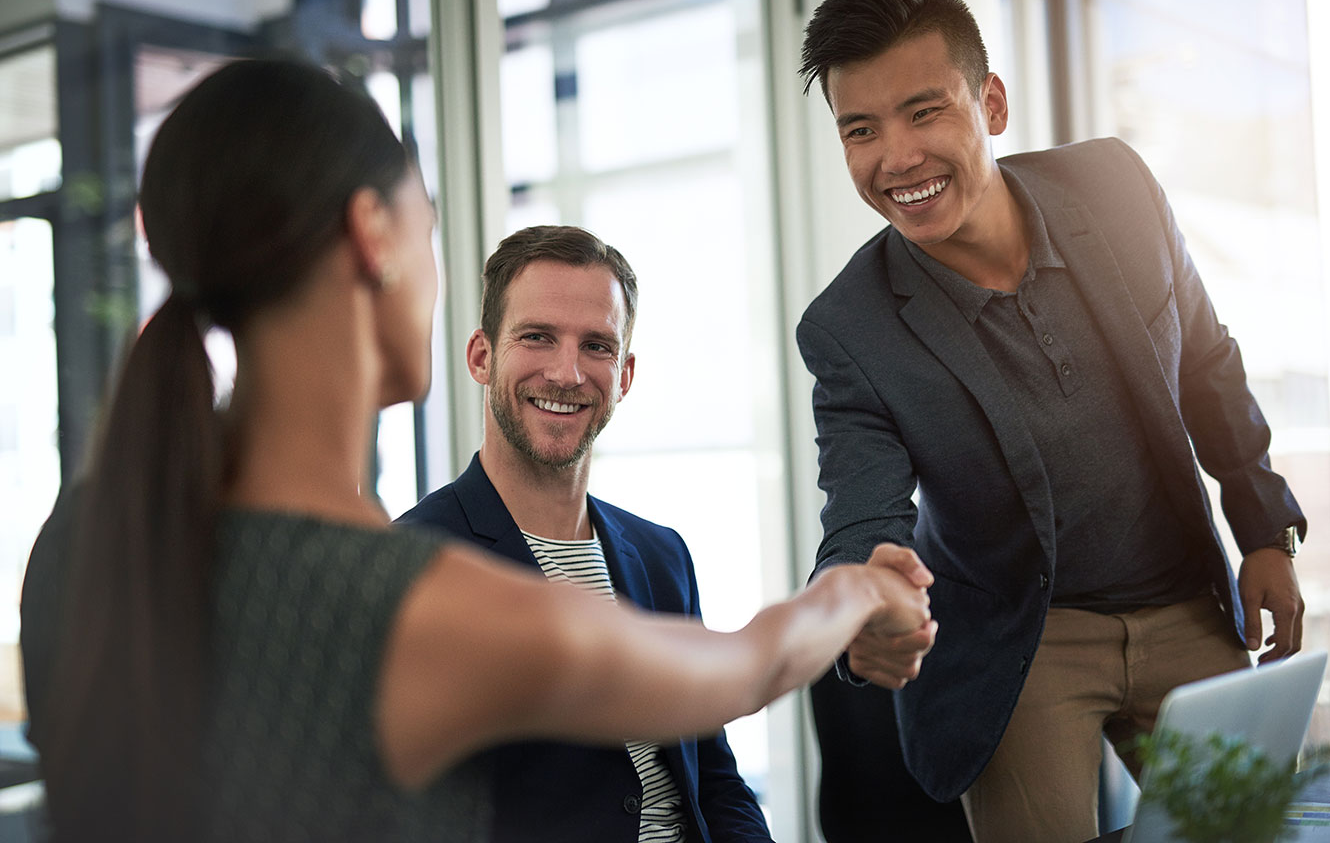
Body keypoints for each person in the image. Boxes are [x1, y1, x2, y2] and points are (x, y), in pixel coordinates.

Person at [17, 58, 934, 843]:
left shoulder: (90, 540)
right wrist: (861, 586)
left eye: (597, 345)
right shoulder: (407, 605)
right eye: (431, 230)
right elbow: (746, 669)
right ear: (372, 235)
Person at [794, 0, 1306, 843]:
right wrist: (861, 600)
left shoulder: (1116, 189)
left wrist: (1262, 528)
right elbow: (860, 509)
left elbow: (1207, 364)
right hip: (1019, 642)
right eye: (861, 130)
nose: (897, 158)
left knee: (1249, 834)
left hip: (1183, 600)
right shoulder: (850, 328)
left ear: (990, 102)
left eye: (926, 111)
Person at [398, 225, 787, 843]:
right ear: (481, 356)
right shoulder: (415, 561)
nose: (568, 372)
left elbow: (715, 780)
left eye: (598, 347)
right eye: (537, 337)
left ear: (625, 374)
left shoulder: (663, 556)